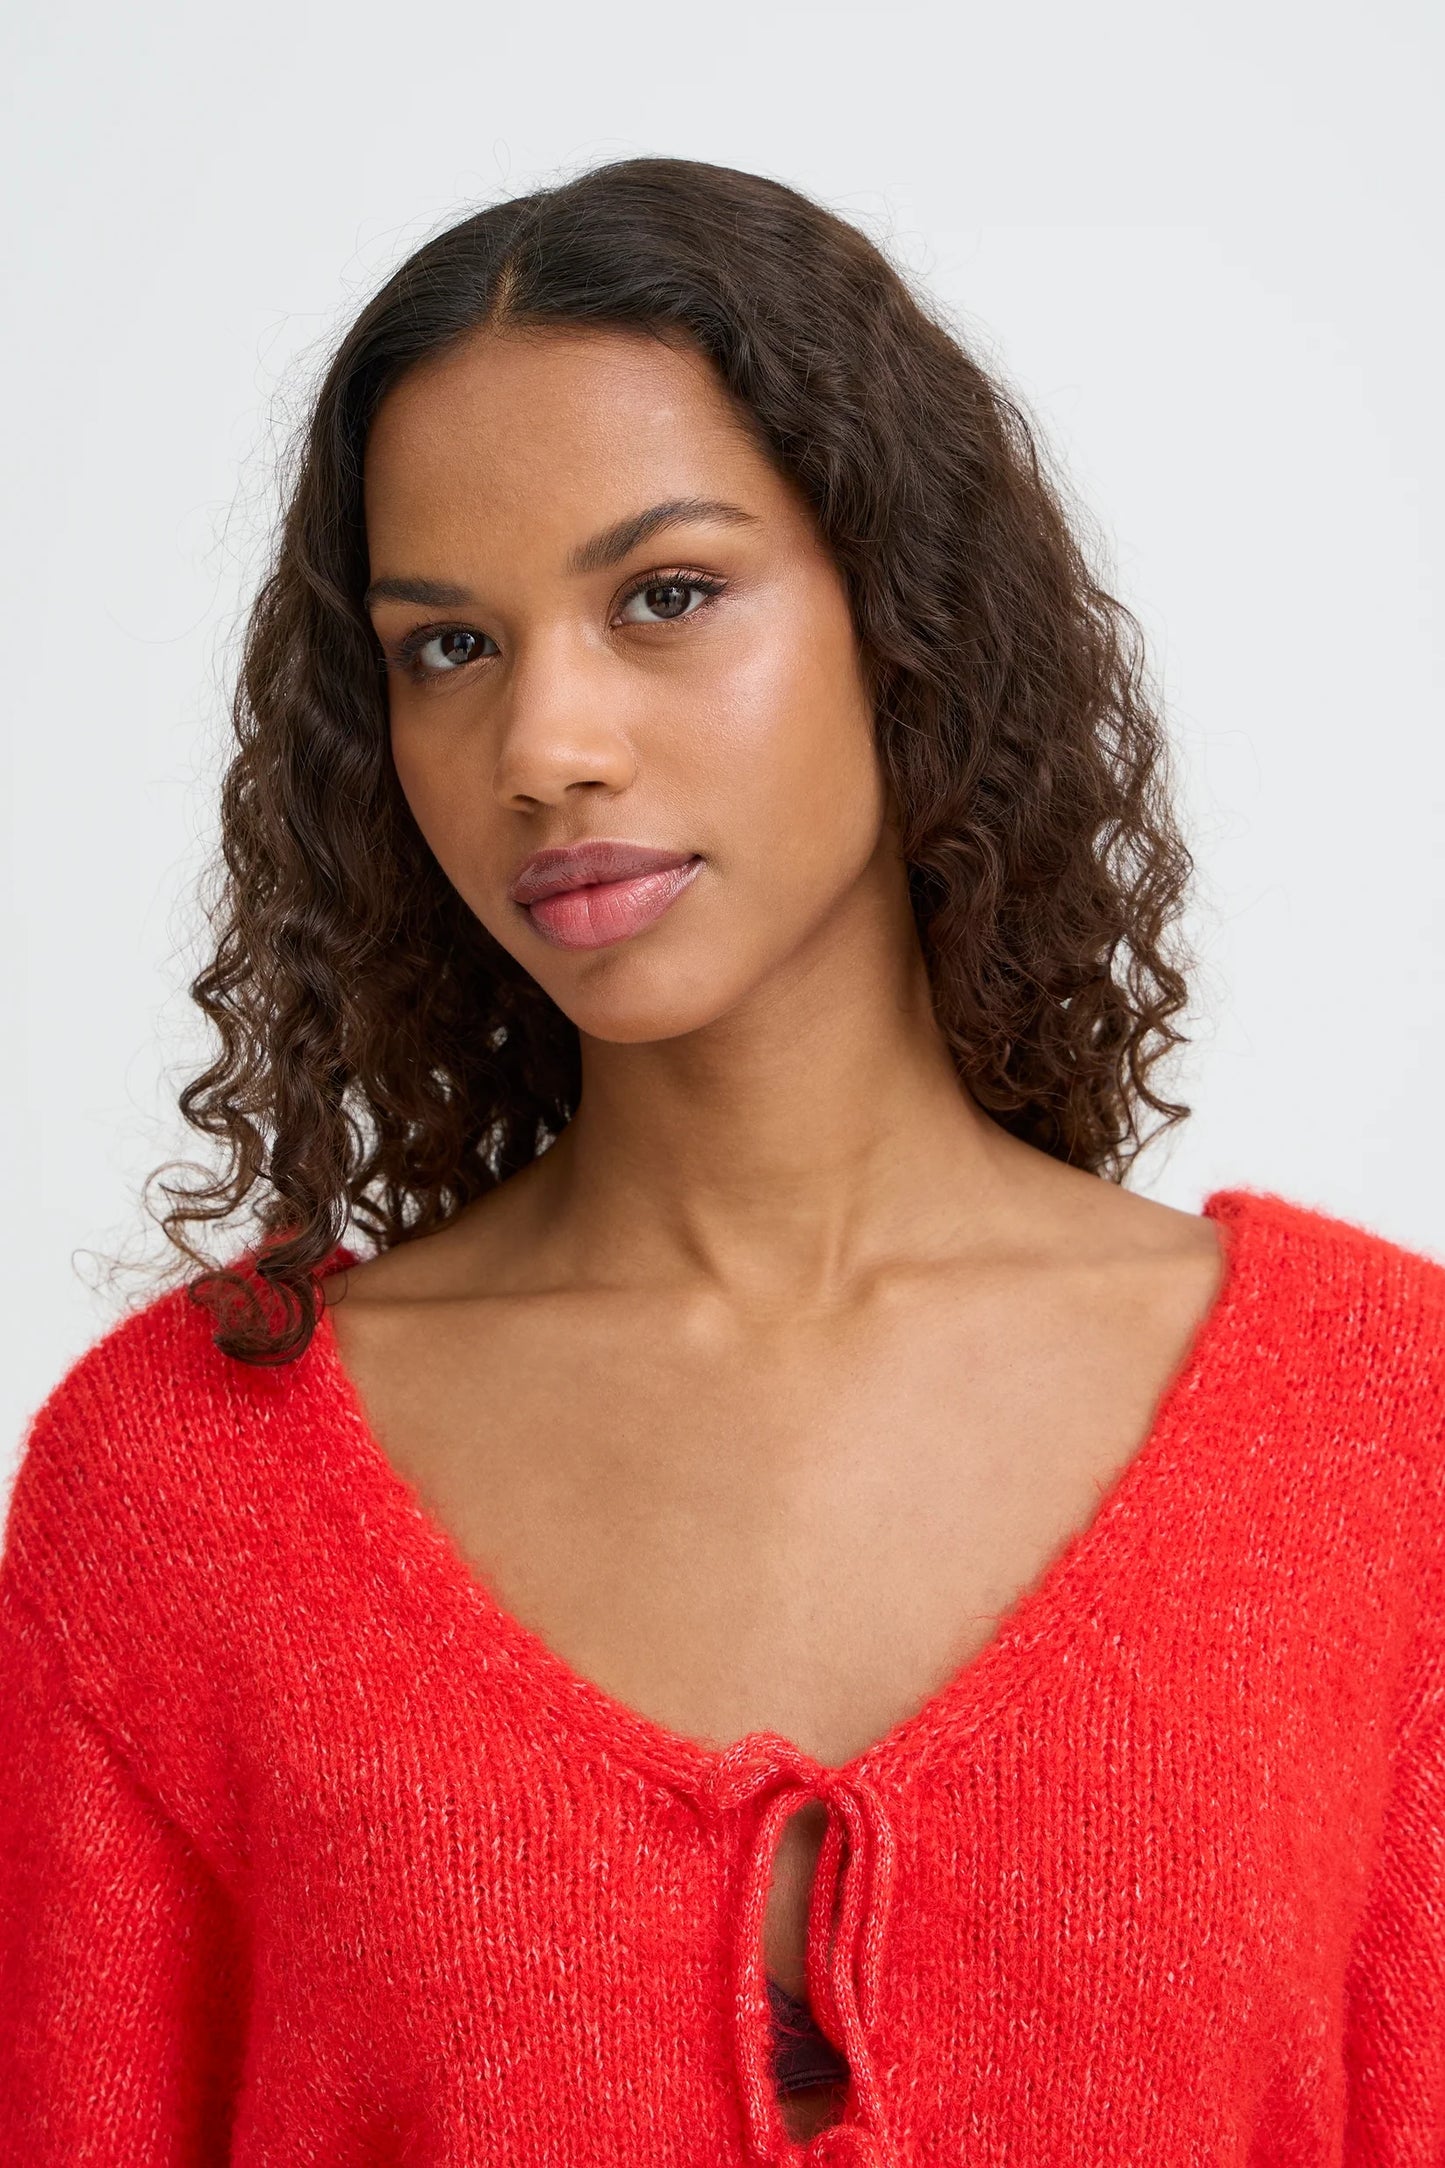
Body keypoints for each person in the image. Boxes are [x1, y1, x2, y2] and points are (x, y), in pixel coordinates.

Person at [1, 156, 1441, 2168]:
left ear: (905, 614)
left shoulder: (1379, 1425)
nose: (547, 745)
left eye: (666, 596)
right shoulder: (176, 1492)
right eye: (445, 646)